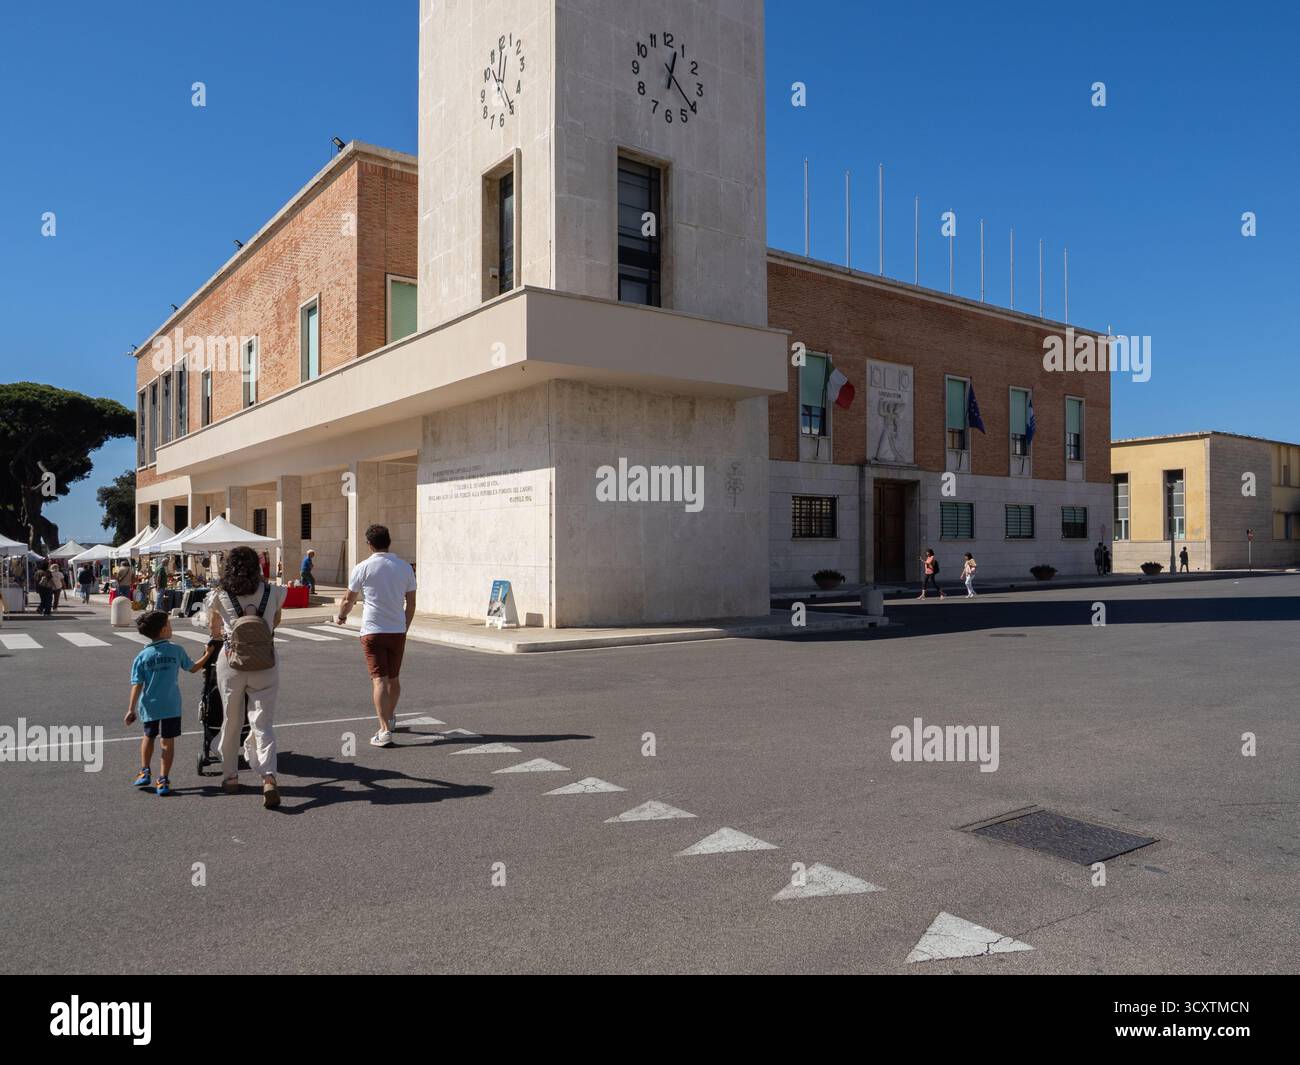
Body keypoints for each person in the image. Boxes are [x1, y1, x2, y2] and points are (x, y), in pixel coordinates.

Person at [207, 545, 288, 808]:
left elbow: (215, 630)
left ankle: (230, 776)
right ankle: (268, 776)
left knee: (231, 719)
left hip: (231, 662)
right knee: (262, 722)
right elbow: (275, 622)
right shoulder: (274, 591)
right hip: (265, 661)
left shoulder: (220, 595)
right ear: (258, 566)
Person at [334, 525, 417, 748]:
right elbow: (411, 604)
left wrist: (341, 616)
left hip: (372, 629)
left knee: (379, 679)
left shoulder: (363, 567)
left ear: (369, 544)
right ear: (389, 541)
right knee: (394, 678)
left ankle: (384, 729)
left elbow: (348, 599)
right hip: (397, 629)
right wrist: (404, 627)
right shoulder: (405, 568)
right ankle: (390, 717)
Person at [125, 610, 214, 796]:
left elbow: (137, 684)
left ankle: (144, 770)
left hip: (149, 704)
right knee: (167, 742)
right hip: (171, 705)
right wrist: (208, 654)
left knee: (148, 736)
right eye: (170, 625)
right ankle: (163, 779)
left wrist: (130, 709)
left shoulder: (142, 656)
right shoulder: (176, 650)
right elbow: (193, 668)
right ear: (164, 629)